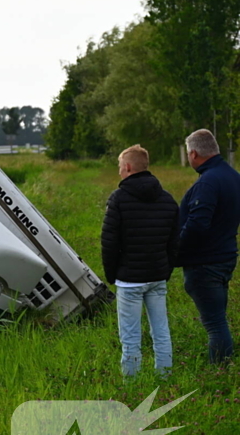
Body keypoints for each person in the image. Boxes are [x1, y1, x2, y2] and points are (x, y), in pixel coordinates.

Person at [101, 145, 180, 377]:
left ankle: (131, 385)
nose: (119, 171)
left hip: (129, 280)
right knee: (161, 331)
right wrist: (166, 270)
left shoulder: (118, 199)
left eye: (119, 166)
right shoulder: (168, 200)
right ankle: (165, 378)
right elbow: (175, 242)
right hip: (157, 277)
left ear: (127, 167)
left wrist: (112, 275)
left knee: (130, 337)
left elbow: (109, 242)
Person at [177, 128, 240, 365]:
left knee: (215, 325)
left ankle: (220, 371)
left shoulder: (208, 182)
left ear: (193, 153)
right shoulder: (234, 176)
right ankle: (224, 367)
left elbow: (197, 225)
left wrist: (176, 250)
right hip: (225, 257)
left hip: (205, 263)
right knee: (218, 319)